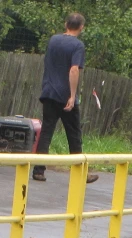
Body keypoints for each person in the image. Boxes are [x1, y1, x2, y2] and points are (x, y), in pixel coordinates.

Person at [32, 12, 99, 184]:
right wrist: (72, 94)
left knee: (46, 131)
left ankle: (39, 171)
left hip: (49, 92)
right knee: (74, 134)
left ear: (65, 24)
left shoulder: (53, 40)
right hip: (65, 96)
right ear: (81, 27)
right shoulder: (78, 46)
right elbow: (74, 70)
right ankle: (81, 174)